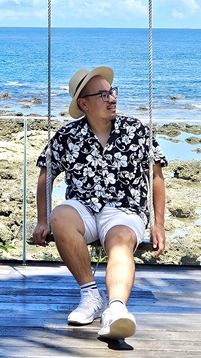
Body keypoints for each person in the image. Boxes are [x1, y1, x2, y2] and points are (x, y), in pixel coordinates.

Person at [32, 66, 167, 341]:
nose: (112, 99)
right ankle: (91, 296)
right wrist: (42, 220)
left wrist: (159, 224)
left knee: (119, 242)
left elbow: (156, 176)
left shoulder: (137, 130)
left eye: (112, 92)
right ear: (84, 104)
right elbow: (46, 174)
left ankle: (116, 310)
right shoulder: (67, 136)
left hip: (125, 209)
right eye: (103, 95)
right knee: (61, 215)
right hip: (84, 207)